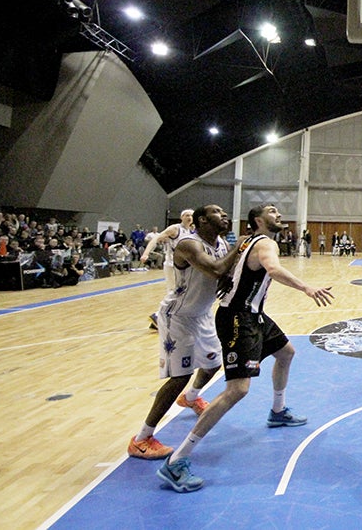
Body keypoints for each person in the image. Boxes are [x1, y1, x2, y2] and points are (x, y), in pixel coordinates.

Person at [156, 204, 335, 493]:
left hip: (253, 315)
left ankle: (278, 411)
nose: (278, 215)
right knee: (237, 390)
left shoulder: (247, 242)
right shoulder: (264, 242)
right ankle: (177, 460)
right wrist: (306, 288)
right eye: (272, 211)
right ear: (258, 220)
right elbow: (273, 269)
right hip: (240, 318)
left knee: (286, 352)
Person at [128, 205, 241, 461]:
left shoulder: (221, 243)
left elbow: (225, 274)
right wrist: (239, 247)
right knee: (180, 376)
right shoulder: (188, 244)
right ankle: (141, 439)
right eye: (217, 212)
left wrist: (227, 273)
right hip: (177, 316)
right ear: (202, 220)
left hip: (201, 314)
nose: (224, 215)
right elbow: (215, 270)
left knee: (213, 364)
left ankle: (190, 398)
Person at [142, 209, 195, 328]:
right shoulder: (175, 229)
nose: (189, 217)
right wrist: (146, 253)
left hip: (183, 267)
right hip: (172, 265)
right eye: (187, 215)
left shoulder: (191, 231)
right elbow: (155, 239)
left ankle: (161, 320)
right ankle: (158, 315)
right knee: (174, 292)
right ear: (181, 217)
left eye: (191, 215)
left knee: (182, 292)